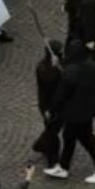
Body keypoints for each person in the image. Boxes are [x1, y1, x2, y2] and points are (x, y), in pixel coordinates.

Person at [44, 40, 95, 183]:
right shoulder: (92, 65)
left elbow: (60, 94)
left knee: (87, 140)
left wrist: (52, 110)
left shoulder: (70, 71)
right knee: (69, 136)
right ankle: (63, 166)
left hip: (75, 114)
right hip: (88, 110)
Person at [32, 40, 63, 168]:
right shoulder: (43, 68)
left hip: (58, 103)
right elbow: (49, 83)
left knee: (53, 129)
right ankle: (52, 158)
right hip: (48, 106)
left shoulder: (57, 64)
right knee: (52, 132)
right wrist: (55, 68)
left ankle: (40, 145)